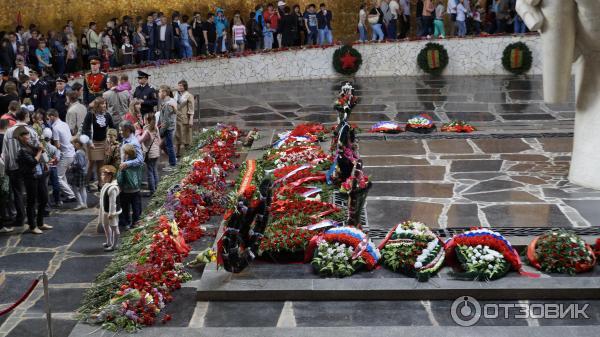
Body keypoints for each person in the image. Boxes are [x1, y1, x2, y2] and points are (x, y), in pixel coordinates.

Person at [15, 126, 52, 234]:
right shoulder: (21, 150)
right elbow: (33, 162)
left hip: (39, 175)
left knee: (44, 198)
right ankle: (33, 226)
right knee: (31, 202)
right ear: (21, 137)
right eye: (25, 135)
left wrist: (40, 148)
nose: (28, 137)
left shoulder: (29, 145)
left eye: (28, 135)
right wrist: (40, 151)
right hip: (30, 177)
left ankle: (40, 223)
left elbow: (38, 153)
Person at [82, 97, 115, 190]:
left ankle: (100, 184)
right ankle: (86, 183)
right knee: (90, 164)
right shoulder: (90, 115)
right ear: (97, 105)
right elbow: (85, 129)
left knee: (101, 164)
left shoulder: (107, 115)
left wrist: (111, 140)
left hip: (103, 142)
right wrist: (89, 142)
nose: (104, 105)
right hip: (92, 142)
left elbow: (112, 128)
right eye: (102, 104)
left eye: (105, 103)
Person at [118, 121, 143, 230]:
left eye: (121, 130)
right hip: (126, 178)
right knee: (124, 201)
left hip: (132, 178)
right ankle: (126, 221)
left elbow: (140, 160)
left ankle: (136, 221)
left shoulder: (134, 143)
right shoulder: (125, 140)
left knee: (134, 201)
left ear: (128, 130)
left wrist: (127, 164)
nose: (120, 132)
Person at [47, 109, 77, 203]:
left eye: (48, 117)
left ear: (52, 116)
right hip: (71, 152)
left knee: (57, 177)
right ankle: (66, 192)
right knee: (62, 175)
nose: (47, 120)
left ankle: (71, 195)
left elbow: (57, 145)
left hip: (65, 155)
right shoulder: (65, 124)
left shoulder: (55, 128)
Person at [99, 165, 121, 251]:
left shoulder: (113, 188)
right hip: (105, 210)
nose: (101, 176)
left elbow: (113, 203)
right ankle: (109, 241)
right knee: (105, 225)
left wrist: (111, 213)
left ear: (109, 176)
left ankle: (114, 245)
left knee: (114, 227)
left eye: (103, 175)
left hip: (111, 212)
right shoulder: (107, 185)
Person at [138, 113, 160, 195]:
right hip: (156, 152)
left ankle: (152, 191)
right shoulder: (156, 128)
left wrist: (137, 132)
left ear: (147, 120)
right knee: (154, 170)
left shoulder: (147, 131)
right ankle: (156, 187)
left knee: (150, 172)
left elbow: (140, 140)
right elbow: (159, 140)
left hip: (150, 153)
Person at [158, 85, 177, 169]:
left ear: (164, 93)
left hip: (168, 128)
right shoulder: (170, 101)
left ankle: (172, 164)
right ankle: (173, 161)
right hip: (169, 127)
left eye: (160, 91)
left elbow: (167, 121)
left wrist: (161, 130)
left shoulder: (167, 104)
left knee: (169, 146)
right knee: (167, 145)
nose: (159, 93)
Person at [42, 127, 61, 207]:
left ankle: (46, 202)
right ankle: (57, 201)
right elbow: (57, 160)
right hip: (53, 167)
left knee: (44, 186)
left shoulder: (42, 147)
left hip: (45, 168)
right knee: (55, 184)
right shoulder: (54, 148)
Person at [174, 80, 194, 157]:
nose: (180, 87)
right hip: (176, 118)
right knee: (177, 135)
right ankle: (177, 152)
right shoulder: (175, 94)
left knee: (186, 135)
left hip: (185, 118)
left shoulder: (189, 95)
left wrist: (191, 119)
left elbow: (191, 108)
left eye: (181, 85)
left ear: (185, 86)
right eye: (179, 85)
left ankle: (188, 153)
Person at [68, 135, 88, 210]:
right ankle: (84, 203)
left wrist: (72, 166)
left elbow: (80, 164)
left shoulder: (78, 152)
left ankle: (80, 203)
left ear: (77, 144)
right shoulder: (83, 151)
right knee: (82, 188)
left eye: (73, 144)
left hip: (78, 172)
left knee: (74, 188)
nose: (72, 146)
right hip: (83, 172)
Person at [0, 119, 13, 233]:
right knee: (4, 196)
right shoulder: (5, 139)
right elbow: (7, 155)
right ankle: (4, 221)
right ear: (7, 127)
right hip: (4, 171)